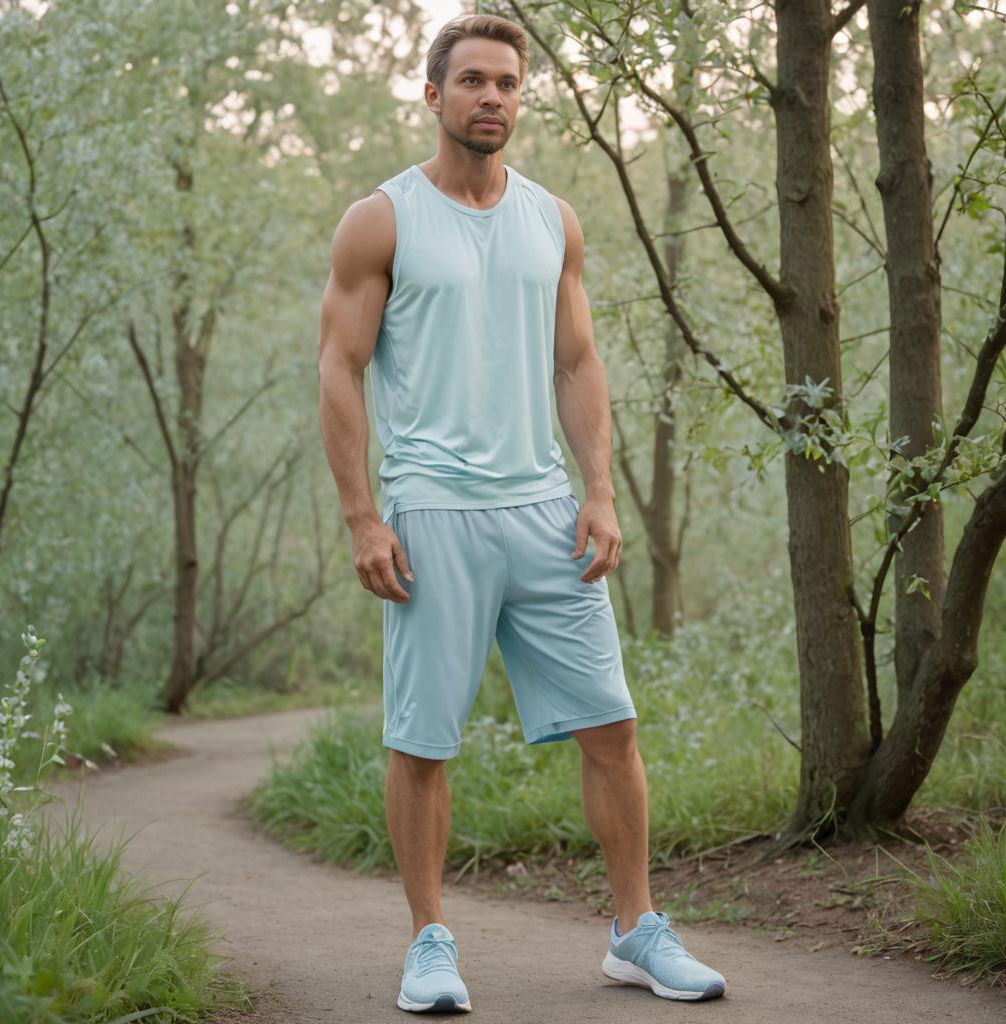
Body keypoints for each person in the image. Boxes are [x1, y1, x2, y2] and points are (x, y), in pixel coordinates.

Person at [317, 12, 727, 1013]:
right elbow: (340, 364)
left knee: (612, 726)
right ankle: (429, 943)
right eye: (472, 82)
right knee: (423, 740)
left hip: (546, 512)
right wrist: (362, 516)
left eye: (507, 82)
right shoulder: (383, 219)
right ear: (433, 94)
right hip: (431, 515)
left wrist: (597, 491)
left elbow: (577, 362)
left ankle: (635, 932)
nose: (491, 97)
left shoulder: (554, 220)